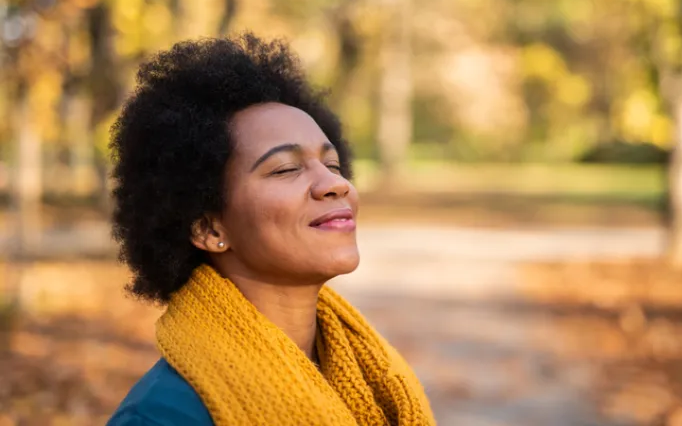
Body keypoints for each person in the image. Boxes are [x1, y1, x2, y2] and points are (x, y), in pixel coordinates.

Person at [106, 33, 435, 426]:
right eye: (285, 169)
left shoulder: (372, 377)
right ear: (209, 229)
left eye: (332, 165)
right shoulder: (163, 416)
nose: (336, 184)